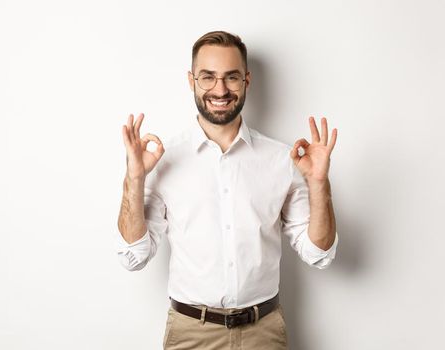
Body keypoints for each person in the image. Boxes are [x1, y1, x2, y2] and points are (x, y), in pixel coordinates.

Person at [116, 31, 339, 349]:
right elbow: (132, 257)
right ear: (191, 80)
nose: (220, 90)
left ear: (247, 80)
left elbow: (319, 255)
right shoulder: (162, 160)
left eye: (231, 77)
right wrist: (134, 179)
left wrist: (319, 185)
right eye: (208, 77)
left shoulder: (281, 159)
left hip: (264, 332)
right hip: (191, 333)